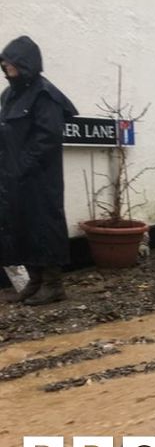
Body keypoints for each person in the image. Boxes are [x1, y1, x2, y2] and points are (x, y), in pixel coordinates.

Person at [0, 36, 78, 305]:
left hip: (40, 177)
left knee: (44, 225)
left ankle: (54, 285)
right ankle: (35, 282)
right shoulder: (9, 95)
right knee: (20, 225)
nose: (7, 67)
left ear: (26, 63)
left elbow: (48, 137)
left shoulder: (45, 95)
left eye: (11, 62)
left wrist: (22, 165)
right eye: (5, 63)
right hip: (14, 176)